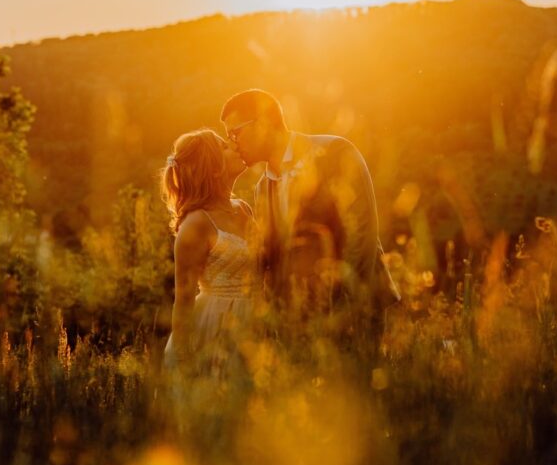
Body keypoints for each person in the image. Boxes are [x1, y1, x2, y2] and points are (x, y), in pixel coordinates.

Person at [220, 89, 400, 339]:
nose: (231, 143)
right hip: (301, 327)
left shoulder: (334, 152)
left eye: (235, 132)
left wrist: (343, 308)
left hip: (354, 311)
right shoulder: (262, 188)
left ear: (262, 123)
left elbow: (361, 234)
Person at [161, 129, 256, 389]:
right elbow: (183, 298)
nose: (236, 147)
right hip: (217, 326)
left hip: (254, 322)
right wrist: (183, 358)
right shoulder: (196, 224)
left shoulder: (243, 209)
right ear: (214, 168)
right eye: (226, 147)